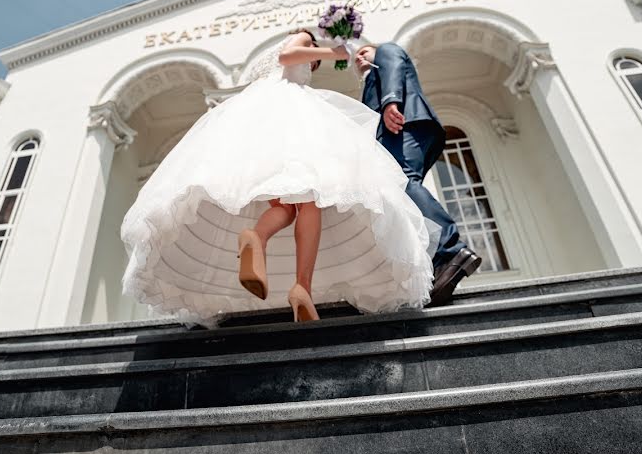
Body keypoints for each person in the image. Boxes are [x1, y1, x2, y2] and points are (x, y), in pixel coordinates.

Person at [121, 29, 437, 326]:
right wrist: (330, 51)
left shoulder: (271, 79)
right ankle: (301, 285)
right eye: (312, 56)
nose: (313, 60)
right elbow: (288, 56)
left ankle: (258, 239)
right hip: (289, 115)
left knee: (286, 206)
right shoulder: (303, 39)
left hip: (265, 124)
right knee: (310, 203)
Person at [356, 43, 482, 306]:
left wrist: (390, 102)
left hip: (403, 121)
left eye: (364, 51)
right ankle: (440, 259)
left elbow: (393, 64)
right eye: (357, 55)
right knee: (398, 190)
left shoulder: (386, 51)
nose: (359, 56)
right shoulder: (368, 82)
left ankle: (452, 250)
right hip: (396, 129)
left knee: (401, 181)